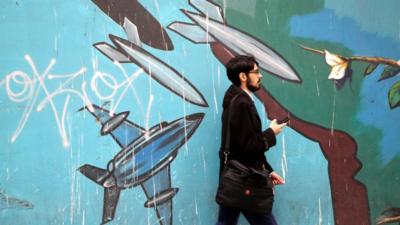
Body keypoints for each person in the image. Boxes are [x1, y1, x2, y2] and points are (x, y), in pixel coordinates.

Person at [216, 55, 287, 225]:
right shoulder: (241, 103)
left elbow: (242, 143)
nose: (260, 75)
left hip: (236, 176)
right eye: (256, 72)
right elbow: (249, 145)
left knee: (225, 222)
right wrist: (271, 132)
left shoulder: (236, 99)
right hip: (246, 178)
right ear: (243, 76)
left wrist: (268, 171)